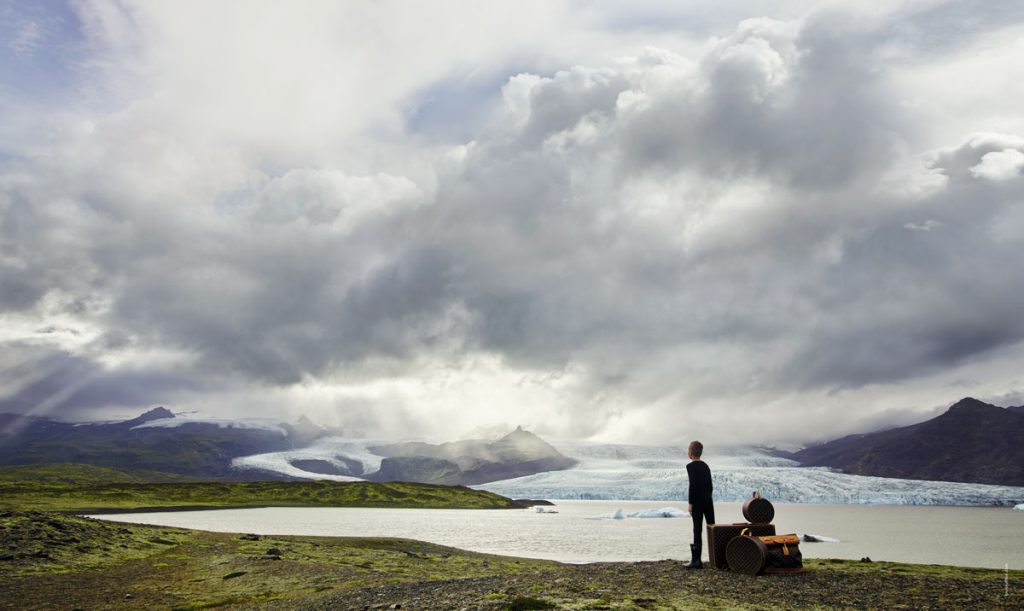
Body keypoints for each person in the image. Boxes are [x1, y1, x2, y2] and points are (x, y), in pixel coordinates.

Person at [685, 440, 714, 569]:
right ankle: (717, 558)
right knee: (712, 528)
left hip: (697, 502)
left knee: (698, 529)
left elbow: (693, 486)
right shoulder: (706, 466)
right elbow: (710, 486)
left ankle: (696, 561)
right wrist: (708, 497)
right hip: (708, 500)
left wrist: (691, 503)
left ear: (690, 453)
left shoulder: (690, 467)